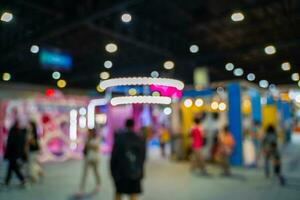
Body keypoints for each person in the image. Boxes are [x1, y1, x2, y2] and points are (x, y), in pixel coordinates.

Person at [111, 119, 146, 200]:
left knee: (118, 193)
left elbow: (114, 156)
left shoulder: (119, 138)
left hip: (121, 172)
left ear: (125, 125)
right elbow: (143, 157)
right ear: (133, 125)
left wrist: (113, 171)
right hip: (134, 171)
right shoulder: (139, 138)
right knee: (133, 194)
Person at [77, 129, 101, 196]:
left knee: (96, 172)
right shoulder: (87, 139)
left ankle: (98, 184)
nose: (88, 133)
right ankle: (81, 189)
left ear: (93, 133)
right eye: (88, 132)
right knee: (84, 174)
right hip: (88, 158)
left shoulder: (97, 139)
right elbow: (85, 148)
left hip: (95, 159)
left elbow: (96, 147)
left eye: (90, 132)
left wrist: (88, 144)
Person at [4, 119, 27, 187]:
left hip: (13, 153)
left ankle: (22, 179)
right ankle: (7, 181)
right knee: (11, 167)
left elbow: (10, 143)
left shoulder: (15, 132)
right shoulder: (17, 132)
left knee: (14, 167)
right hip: (14, 153)